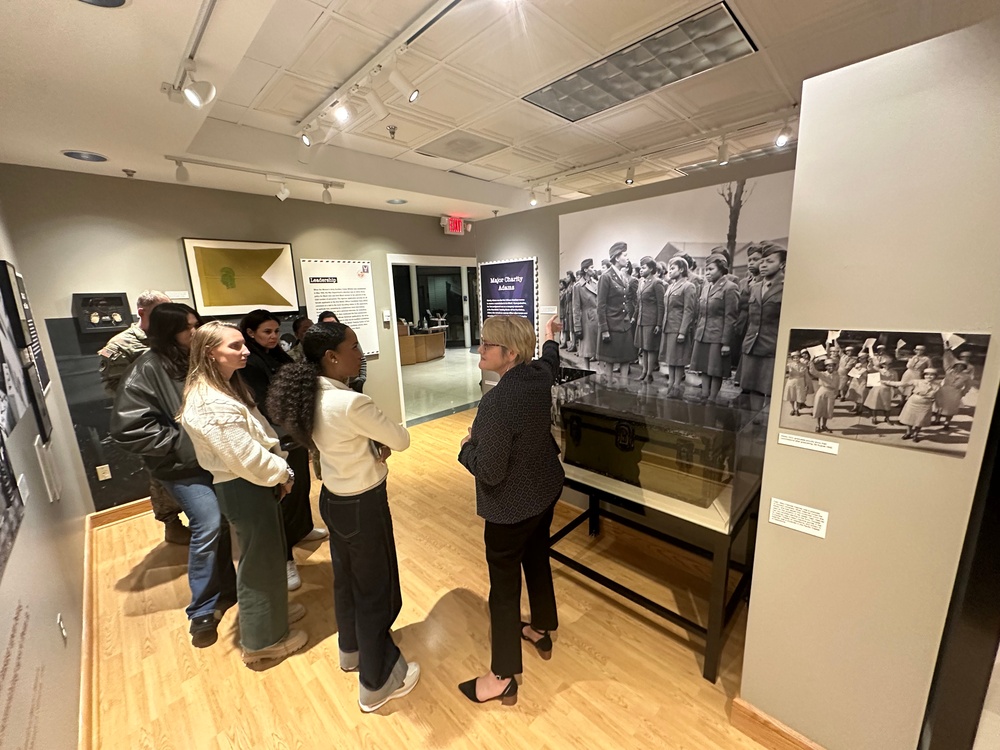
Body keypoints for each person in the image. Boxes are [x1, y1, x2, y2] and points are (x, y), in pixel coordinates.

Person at [266, 322, 418, 713]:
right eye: (354, 346)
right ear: (331, 357)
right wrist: (380, 439)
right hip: (363, 504)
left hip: (333, 499)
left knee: (347, 582)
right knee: (376, 591)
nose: (361, 352)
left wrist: (367, 444)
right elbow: (401, 439)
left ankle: (350, 649)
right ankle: (376, 682)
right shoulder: (351, 403)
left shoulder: (308, 394)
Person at [180, 322, 308, 666]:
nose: (245, 351)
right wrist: (284, 472)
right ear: (210, 353)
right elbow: (245, 457)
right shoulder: (210, 403)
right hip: (244, 485)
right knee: (258, 562)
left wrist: (278, 471)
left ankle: (272, 615)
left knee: (269, 555)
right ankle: (262, 641)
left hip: (255, 482)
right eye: (235, 346)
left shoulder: (225, 386)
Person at [110, 304, 237, 647]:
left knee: (224, 522)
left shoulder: (195, 360)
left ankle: (229, 589)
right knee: (208, 524)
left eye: (197, 326)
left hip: (214, 462)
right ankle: (202, 611)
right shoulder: (146, 369)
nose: (196, 332)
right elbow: (129, 429)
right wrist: (185, 446)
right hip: (183, 469)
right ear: (169, 333)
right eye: (188, 328)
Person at [457, 315, 564, 707]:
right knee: (536, 559)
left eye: (487, 345)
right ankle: (540, 627)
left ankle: (501, 676)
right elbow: (551, 360)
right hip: (545, 489)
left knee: (502, 591)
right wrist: (551, 336)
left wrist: (467, 446)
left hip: (511, 507)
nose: (479, 350)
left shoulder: (497, 402)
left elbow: (489, 468)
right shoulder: (538, 376)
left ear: (510, 353)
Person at [240, 309, 326, 592]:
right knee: (283, 497)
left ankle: (302, 530)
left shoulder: (279, 354)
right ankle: (285, 557)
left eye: (276, 331)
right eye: (267, 332)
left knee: (300, 487)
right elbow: (266, 403)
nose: (274, 336)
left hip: (293, 431)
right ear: (250, 333)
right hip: (274, 437)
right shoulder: (250, 363)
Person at [99, 289, 189, 544]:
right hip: (154, 419)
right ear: (142, 312)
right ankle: (172, 523)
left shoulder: (173, 338)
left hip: (184, 412)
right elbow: (116, 390)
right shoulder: (121, 345)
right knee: (161, 474)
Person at [739, 243, 785, 410]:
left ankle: (766, 423)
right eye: (763, 261)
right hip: (752, 345)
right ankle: (755, 421)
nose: (764, 265)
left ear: (782, 265)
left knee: (770, 389)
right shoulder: (755, 287)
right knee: (753, 388)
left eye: (770, 261)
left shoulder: (786, 288)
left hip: (772, 347)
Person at [690, 252, 739, 403]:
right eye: (706, 269)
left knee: (715, 369)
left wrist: (726, 343)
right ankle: (704, 394)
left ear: (721, 269)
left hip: (717, 335)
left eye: (711, 269)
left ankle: (712, 397)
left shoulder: (730, 288)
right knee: (704, 366)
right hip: (703, 333)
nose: (707, 272)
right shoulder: (706, 287)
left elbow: (731, 317)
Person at [596, 242, 637, 379]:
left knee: (626, 358)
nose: (628, 258)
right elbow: (601, 305)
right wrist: (604, 329)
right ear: (616, 257)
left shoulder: (623, 276)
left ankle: (624, 387)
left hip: (624, 325)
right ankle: (609, 388)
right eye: (625, 255)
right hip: (612, 325)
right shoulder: (606, 277)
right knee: (610, 360)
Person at [659, 256, 697, 397]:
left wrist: (683, 331)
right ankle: (671, 384)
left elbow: (689, 310)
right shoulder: (670, 286)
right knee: (671, 358)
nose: (669, 271)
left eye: (673, 268)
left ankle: (676, 386)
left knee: (678, 359)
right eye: (669, 268)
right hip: (668, 327)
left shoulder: (688, 286)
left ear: (681, 270)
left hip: (678, 327)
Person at [632, 256, 664, 382]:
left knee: (650, 348)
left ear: (651, 269)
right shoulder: (641, 282)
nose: (641, 270)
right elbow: (639, 303)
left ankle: (649, 374)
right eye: (640, 267)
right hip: (641, 320)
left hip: (651, 321)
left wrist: (658, 324)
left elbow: (661, 305)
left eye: (643, 267)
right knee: (643, 348)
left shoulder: (657, 283)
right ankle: (644, 372)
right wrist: (635, 317)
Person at [318, 311, 367, 392]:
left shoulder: (348, 339)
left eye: (334, 323)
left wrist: (361, 379)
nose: (332, 327)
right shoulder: (319, 345)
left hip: (352, 384)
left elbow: (362, 359)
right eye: (327, 325)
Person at [934, 346, 974, 430]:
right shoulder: (948, 371)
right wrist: (946, 351)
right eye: (957, 366)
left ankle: (946, 423)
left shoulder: (966, 376)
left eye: (961, 367)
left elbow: (968, 386)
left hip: (955, 392)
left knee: (951, 408)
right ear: (954, 366)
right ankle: (937, 420)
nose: (959, 367)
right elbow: (946, 361)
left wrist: (963, 393)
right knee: (939, 405)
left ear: (964, 368)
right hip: (944, 390)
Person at [571, 259, 599, 371]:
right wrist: (577, 327)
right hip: (586, 320)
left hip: (598, 317)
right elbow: (576, 308)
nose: (593, 269)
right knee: (587, 349)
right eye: (591, 267)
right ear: (585, 269)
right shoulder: (578, 286)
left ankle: (601, 373)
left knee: (600, 348)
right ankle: (586, 371)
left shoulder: (596, 283)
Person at [809, 356, 838, 433]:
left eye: (832, 365)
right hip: (822, 392)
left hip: (831, 393)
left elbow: (837, 385)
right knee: (819, 409)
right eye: (828, 366)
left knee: (827, 410)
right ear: (826, 367)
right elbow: (813, 371)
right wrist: (811, 362)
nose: (830, 367)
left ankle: (824, 425)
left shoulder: (837, 375)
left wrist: (836, 393)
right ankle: (818, 425)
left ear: (835, 367)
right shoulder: (822, 374)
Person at [784, 351, 810, 416]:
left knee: (799, 396)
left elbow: (805, 375)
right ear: (792, 359)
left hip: (800, 382)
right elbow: (785, 372)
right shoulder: (789, 365)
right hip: (791, 382)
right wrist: (789, 371)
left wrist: (806, 384)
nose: (796, 359)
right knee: (792, 396)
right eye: (794, 358)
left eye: (797, 357)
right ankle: (793, 409)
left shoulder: (803, 365)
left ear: (799, 358)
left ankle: (797, 409)